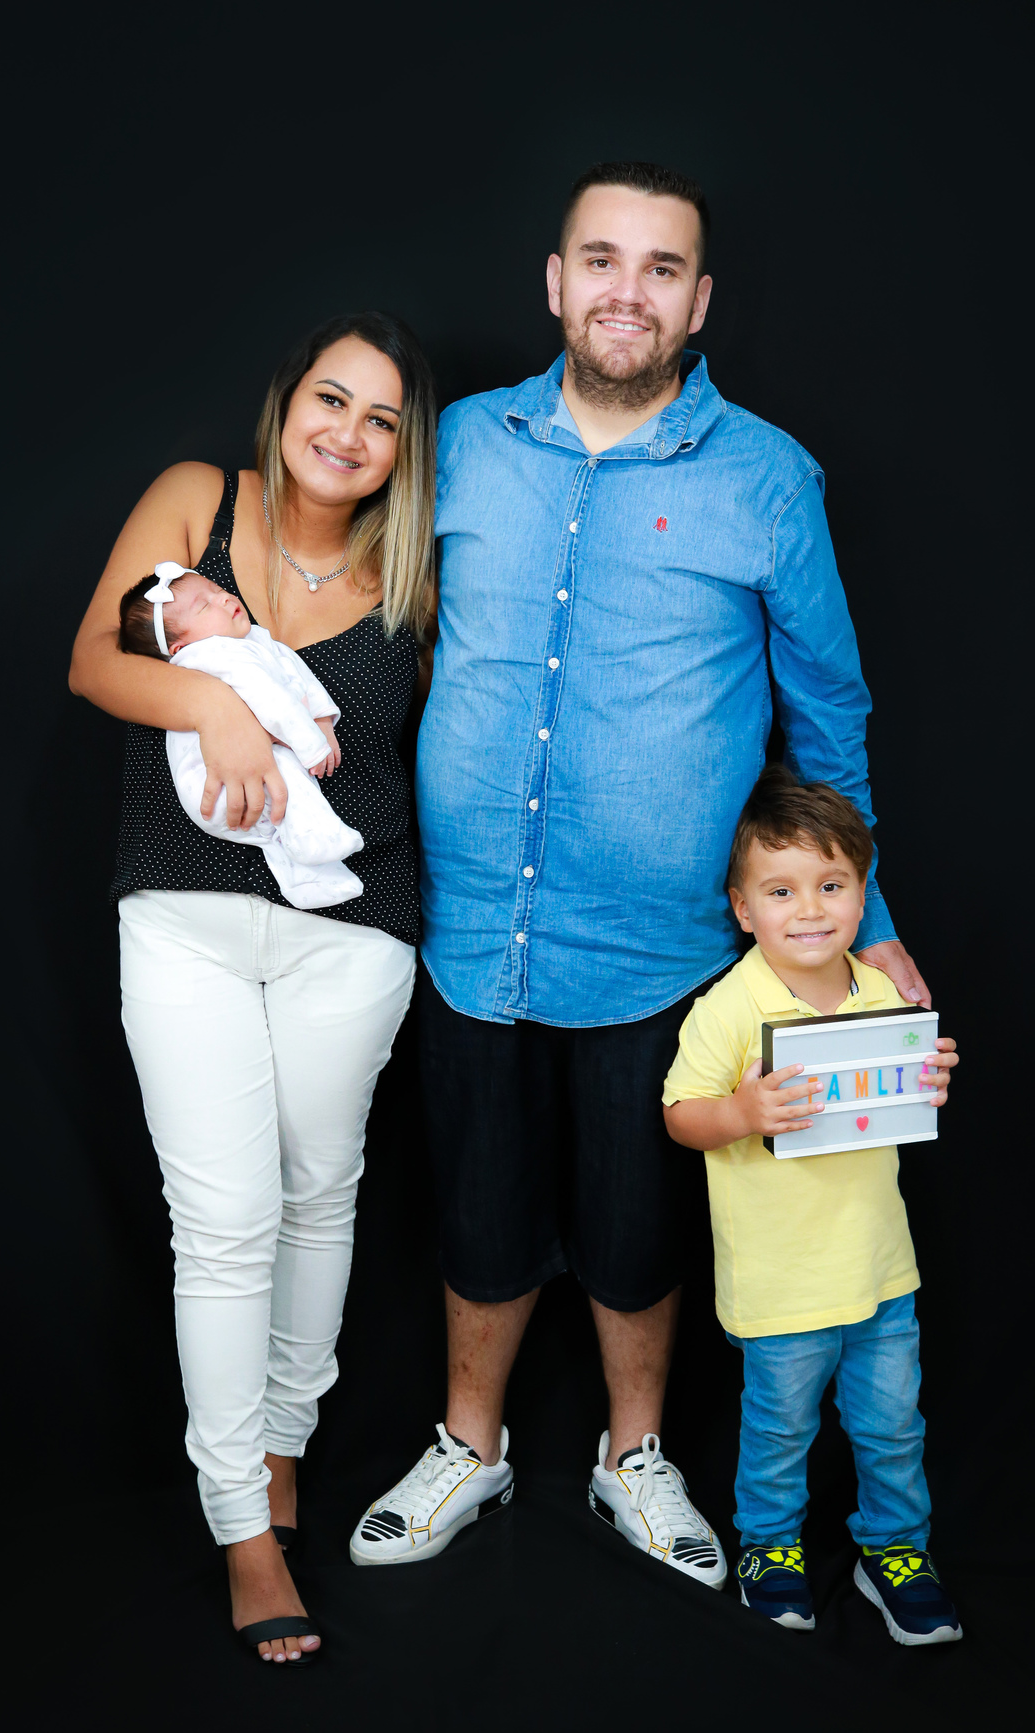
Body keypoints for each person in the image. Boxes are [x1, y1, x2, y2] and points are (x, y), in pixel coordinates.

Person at [350, 162, 936, 1589]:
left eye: (661, 268)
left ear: (700, 300)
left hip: (665, 948)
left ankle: (634, 1458)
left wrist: (870, 928)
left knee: (636, 1221)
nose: (628, 291)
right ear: (556, 282)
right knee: (480, 1210)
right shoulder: (461, 443)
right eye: (601, 260)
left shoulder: (770, 477)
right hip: (472, 928)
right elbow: (356, 602)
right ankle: (470, 1447)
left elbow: (827, 716)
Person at [69, 312, 436, 1663]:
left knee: (319, 1190)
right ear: (286, 404)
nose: (348, 432)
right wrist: (215, 705)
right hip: (186, 918)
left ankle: (284, 1443)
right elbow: (97, 660)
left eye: (382, 418)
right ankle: (241, 1524)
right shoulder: (196, 503)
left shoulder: (415, 570)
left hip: (358, 926)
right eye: (331, 399)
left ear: (404, 450)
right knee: (224, 1219)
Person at [662, 765, 962, 1645]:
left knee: (892, 1429)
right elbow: (680, 1115)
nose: (810, 910)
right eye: (781, 890)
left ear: (863, 897)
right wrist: (742, 1113)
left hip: (879, 1270)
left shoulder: (883, 997)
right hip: (780, 1283)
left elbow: (898, 1105)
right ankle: (769, 1547)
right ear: (743, 908)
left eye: (831, 886)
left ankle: (895, 1550)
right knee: (780, 1432)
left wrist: (928, 1081)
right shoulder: (727, 1009)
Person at [119, 562, 364, 906]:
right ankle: (317, 837)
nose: (223, 599)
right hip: (218, 786)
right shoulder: (208, 655)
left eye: (217, 590)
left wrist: (321, 719)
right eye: (204, 606)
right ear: (178, 647)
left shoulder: (254, 639)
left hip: (251, 781)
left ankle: (308, 880)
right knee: (286, 774)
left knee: (281, 808)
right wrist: (312, 745)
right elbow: (270, 699)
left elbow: (297, 671)